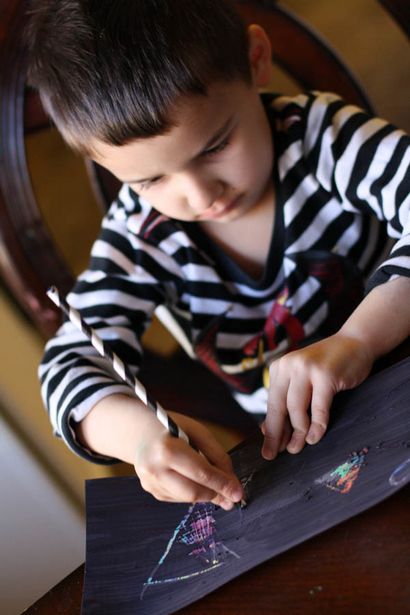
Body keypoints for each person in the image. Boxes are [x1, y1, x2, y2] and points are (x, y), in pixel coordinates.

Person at [29, 0, 410, 511]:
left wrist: (358, 339)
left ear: (255, 60)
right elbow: (66, 366)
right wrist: (139, 440)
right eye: (150, 180)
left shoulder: (322, 140)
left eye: (214, 146)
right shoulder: (141, 235)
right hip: (312, 454)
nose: (199, 194)